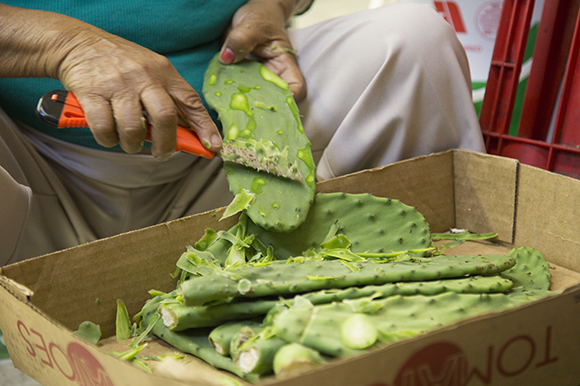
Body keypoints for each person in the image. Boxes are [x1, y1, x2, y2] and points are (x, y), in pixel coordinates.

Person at [0, 0, 485, 266]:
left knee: (411, 39)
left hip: (232, 153)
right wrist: (68, 46)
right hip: (29, 174)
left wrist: (273, 4)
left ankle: (393, 276)